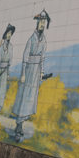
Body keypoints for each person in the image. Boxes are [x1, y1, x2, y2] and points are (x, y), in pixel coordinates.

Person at [12, 10, 49, 142]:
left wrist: (42, 73)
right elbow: (25, 56)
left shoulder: (43, 40)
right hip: (28, 72)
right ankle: (18, 126)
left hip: (36, 72)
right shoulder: (31, 39)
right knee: (24, 99)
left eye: (44, 23)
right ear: (37, 23)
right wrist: (23, 73)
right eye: (41, 22)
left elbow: (43, 57)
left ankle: (20, 126)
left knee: (30, 100)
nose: (42, 25)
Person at [0, 24, 15, 121]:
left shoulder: (11, 47)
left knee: (1, 93)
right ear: (5, 35)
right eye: (8, 33)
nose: (9, 35)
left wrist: (8, 73)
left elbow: (10, 61)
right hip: (0, 71)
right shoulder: (1, 48)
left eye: (10, 33)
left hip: (4, 73)